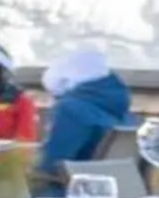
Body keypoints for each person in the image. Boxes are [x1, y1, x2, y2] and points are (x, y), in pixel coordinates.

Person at [36, 44, 132, 186]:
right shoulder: (121, 110)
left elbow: (51, 165)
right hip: (112, 191)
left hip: (69, 192)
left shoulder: (70, 109)